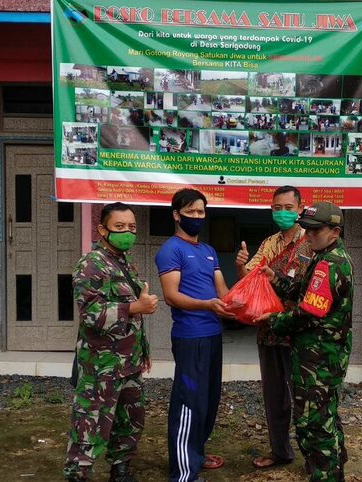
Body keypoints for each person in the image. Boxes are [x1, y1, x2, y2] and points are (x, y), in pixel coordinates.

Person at [255, 201, 354, 482]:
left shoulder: (329, 265)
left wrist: (271, 321)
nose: (308, 235)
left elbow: (309, 311)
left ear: (334, 231)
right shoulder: (324, 257)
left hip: (318, 358)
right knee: (326, 415)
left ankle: (326, 473)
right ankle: (333, 464)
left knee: (314, 422)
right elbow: (301, 292)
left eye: (315, 230)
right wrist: (274, 277)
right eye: (306, 229)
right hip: (321, 356)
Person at [65, 203, 158, 482]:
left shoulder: (125, 262)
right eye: (120, 227)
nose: (127, 233)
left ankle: (120, 469)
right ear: (102, 230)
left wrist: (144, 350)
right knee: (90, 423)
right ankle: (78, 474)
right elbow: (91, 313)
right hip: (101, 364)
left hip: (129, 360)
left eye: (131, 227)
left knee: (129, 418)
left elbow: (134, 311)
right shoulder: (91, 264)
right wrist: (133, 308)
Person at [155, 189, 234, 482]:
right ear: (177, 215)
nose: (197, 217)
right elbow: (171, 296)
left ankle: (196, 454)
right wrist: (207, 305)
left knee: (209, 399)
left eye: (201, 212)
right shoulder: (171, 250)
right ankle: (183, 472)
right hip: (191, 337)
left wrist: (236, 303)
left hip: (213, 334)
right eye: (191, 212)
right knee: (189, 400)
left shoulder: (209, 251)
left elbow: (222, 291)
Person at [235, 186, 312, 470]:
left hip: (301, 330)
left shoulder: (312, 241)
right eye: (277, 207)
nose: (282, 212)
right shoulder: (269, 244)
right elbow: (250, 278)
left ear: (301, 208)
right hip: (269, 328)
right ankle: (280, 451)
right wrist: (241, 266)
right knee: (275, 395)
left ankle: (314, 456)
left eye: (288, 207)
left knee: (305, 396)